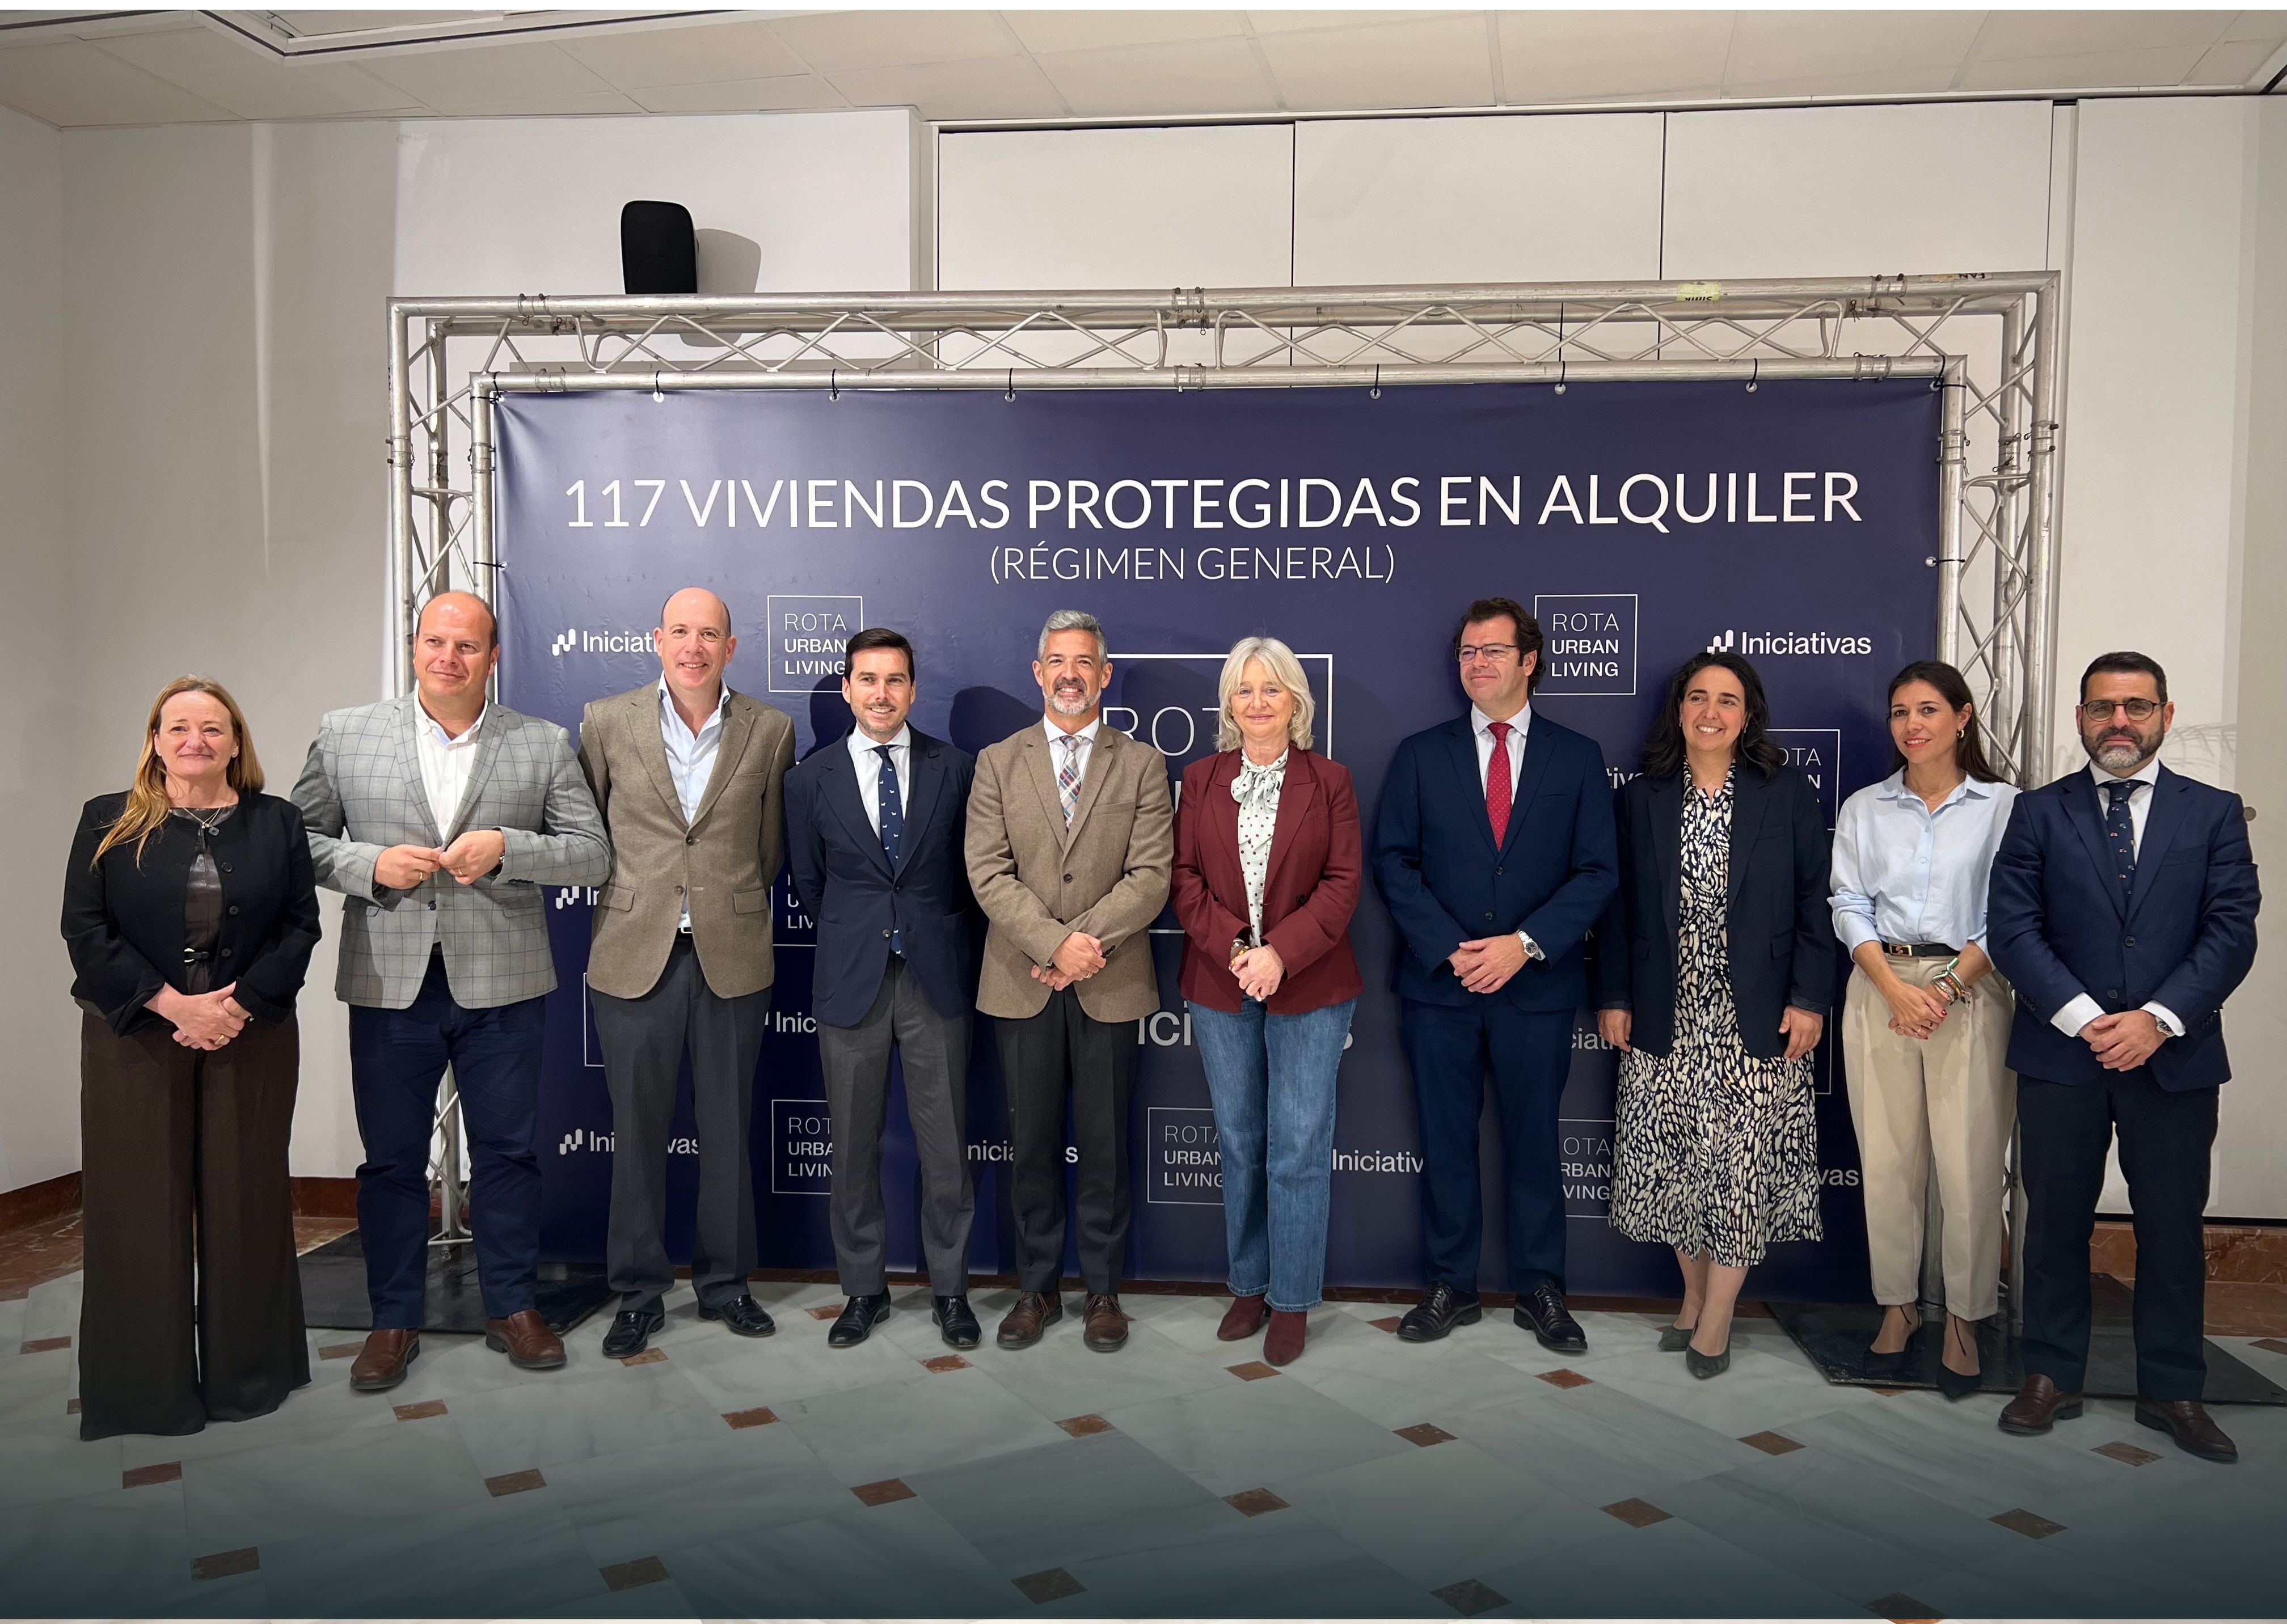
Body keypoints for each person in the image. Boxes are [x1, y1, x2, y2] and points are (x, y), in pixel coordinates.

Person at [294, 591, 611, 1392]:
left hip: (503, 983)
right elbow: (295, 841)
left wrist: (509, 848)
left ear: (492, 657)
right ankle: (393, 1320)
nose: (449, 657)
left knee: (507, 1154)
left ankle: (513, 1307)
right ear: (414, 648)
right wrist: (368, 868)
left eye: (467, 646)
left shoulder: (541, 743)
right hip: (389, 982)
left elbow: (592, 854)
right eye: (436, 641)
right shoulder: (345, 733)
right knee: (391, 1163)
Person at [1988, 651, 2259, 1463]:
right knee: (2054, 1226)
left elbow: (2231, 930)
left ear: (2166, 717)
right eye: (2104, 707)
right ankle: (2050, 1375)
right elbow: (2013, 929)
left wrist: (2158, 1019)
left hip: (2175, 1059)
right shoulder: (2038, 813)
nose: (2120, 722)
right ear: (2079, 719)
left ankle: (2173, 1388)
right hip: (2062, 1056)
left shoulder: (2212, 813)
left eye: (2137, 707)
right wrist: (2085, 1018)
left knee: (2172, 1231)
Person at [62, 677, 320, 1440]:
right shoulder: (106, 820)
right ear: (155, 741)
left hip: (253, 1034)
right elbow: (85, 930)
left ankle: (252, 1378)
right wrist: (175, 1006)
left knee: (248, 1201)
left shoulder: (277, 822)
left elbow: (300, 928)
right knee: (138, 1210)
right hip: (136, 1040)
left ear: (236, 744)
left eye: (213, 728)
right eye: (179, 727)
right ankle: (146, 1394)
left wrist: (234, 1007)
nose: (195, 740)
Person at [1372, 596, 1618, 1351]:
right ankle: (1451, 1286)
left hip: (1536, 988)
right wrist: (1452, 948)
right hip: (1441, 987)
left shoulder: (1576, 757)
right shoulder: (1422, 753)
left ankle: (1541, 1289)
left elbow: (1596, 871)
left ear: (1530, 661)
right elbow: (1395, 863)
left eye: (1494, 651)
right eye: (1468, 652)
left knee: (1534, 1143)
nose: (1478, 663)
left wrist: (1523, 944)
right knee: (1446, 1142)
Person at [1594, 652, 1833, 1378]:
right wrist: (1613, 995)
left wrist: (1810, 997)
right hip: (1667, 1010)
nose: (1711, 711)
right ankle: (1695, 1296)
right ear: (1679, 709)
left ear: (1748, 713)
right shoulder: (1642, 798)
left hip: (1754, 1017)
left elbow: (1813, 902)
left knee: (1738, 1169)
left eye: (1727, 700)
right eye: (1698, 697)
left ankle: (1721, 1314)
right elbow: (1617, 910)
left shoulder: (1785, 792)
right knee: (1672, 1166)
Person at [576, 588, 795, 1356]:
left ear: (731, 647)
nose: (694, 645)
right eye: (680, 632)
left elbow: (769, 851)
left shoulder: (771, 729)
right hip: (634, 951)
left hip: (731, 955)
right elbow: (588, 831)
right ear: (657, 640)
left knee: (727, 1129)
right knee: (635, 1133)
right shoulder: (606, 722)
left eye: (709, 633)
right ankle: (638, 1292)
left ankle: (726, 1285)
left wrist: (719, 901)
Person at [966, 609, 1173, 1352]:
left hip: (1110, 982)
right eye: (1057, 660)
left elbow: (1152, 876)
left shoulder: (1143, 764)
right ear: (1038, 670)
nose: (1070, 673)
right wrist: (1056, 946)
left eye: (1084, 661)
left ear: (1105, 673)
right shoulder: (997, 761)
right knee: (1031, 1145)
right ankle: (1036, 1288)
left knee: (1107, 1145)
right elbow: (986, 871)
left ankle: (1105, 1291)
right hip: (1023, 979)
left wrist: (1086, 948)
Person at [786, 627, 982, 1350]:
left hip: (935, 979)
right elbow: (809, 883)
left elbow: (970, 877)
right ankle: (864, 1291)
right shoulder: (810, 778)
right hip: (851, 982)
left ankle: (951, 1290)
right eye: (867, 679)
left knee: (947, 1144)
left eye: (894, 679)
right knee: (853, 1145)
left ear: (912, 689)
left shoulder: (956, 769)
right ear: (846, 688)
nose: (881, 693)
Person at [1830, 660, 2020, 1397]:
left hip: (1968, 988)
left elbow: (2008, 911)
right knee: (1889, 1159)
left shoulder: (2003, 807)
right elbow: (1848, 900)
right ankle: (1899, 1308)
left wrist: (1942, 989)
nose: (1913, 725)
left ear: (1963, 717)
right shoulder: (1866, 807)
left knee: (1971, 1166)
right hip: (1880, 987)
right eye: (1901, 712)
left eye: (1929, 710)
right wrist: (1892, 987)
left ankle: (1969, 1318)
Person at [1171, 637, 1363, 1367]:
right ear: (1229, 702)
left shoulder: (1331, 780)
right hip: (1222, 983)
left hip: (1309, 983)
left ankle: (1291, 1298)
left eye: (1272, 688)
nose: (1257, 701)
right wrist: (1236, 951)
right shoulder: (1201, 777)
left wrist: (1279, 953)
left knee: (1299, 1145)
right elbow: (1183, 878)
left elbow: (1343, 882)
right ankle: (1248, 1283)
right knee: (1242, 1139)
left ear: (1296, 701)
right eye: (1244, 689)